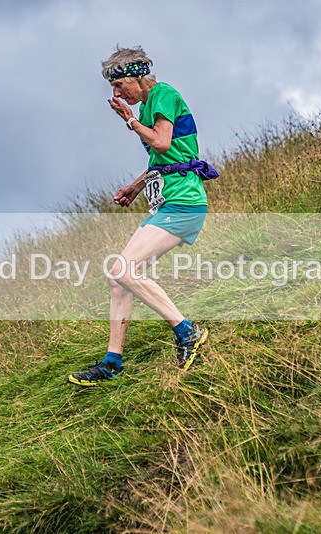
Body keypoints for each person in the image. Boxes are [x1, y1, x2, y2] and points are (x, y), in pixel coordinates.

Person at [68, 46, 218, 386]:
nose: (117, 94)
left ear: (137, 77)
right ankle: (112, 362)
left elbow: (161, 143)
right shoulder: (150, 104)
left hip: (184, 202)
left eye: (119, 85)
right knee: (117, 277)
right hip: (168, 203)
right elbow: (164, 158)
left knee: (123, 270)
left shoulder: (163, 94)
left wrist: (130, 121)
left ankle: (188, 332)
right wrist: (136, 186)